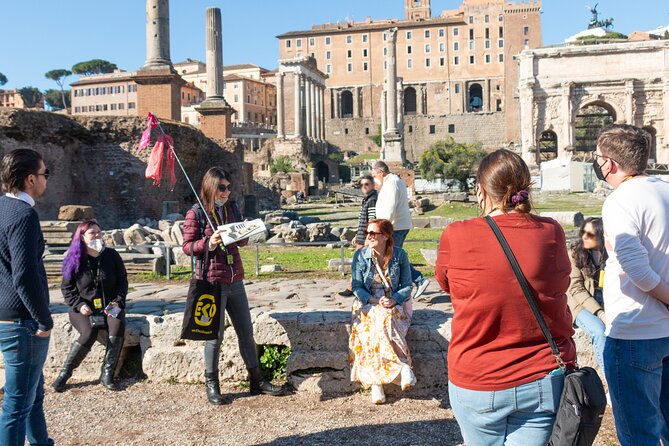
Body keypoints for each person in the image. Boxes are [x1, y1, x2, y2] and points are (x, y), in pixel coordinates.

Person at [435, 149, 576, 445]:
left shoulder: (457, 233)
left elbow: (447, 284)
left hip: (478, 374)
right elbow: (560, 282)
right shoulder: (551, 231)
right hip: (542, 374)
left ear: (480, 191)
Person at [183, 167, 285, 405]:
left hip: (234, 278)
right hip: (212, 281)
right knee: (214, 336)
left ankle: (256, 380)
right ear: (210, 187)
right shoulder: (196, 213)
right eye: (221, 188)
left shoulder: (232, 209)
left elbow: (241, 240)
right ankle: (212, 384)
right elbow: (188, 246)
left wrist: (244, 233)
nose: (226, 192)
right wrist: (209, 242)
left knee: (246, 333)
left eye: (229, 187)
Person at [594, 124, 669, 445]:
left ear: (609, 163)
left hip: (636, 330)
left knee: (640, 435)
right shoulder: (665, 187)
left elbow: (636, 268)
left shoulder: (620, 200)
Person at [0, 149, 54, 446]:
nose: (47, 179)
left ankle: (41, 442)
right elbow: (24, 275)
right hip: (23, 320)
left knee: (33, 393)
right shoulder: (23, 214)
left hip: (5, 315)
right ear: (30, 179)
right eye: (45, 174)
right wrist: (43, 319)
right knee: (17, 402)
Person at [53, 219, 128, 392]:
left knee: (117, 327)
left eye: (99, 232)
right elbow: (67, 288)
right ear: (82, 237)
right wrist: (79, 305)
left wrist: (117, 301)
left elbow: (122, 282)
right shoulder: (74, 259)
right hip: (83, 307)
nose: (96, 235)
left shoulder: (112, 255)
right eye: (92, 233)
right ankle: (65, 373)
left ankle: (107, 374)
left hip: (110, 305)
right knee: (89, 332)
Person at [349, 219, 415, 404]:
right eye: (367, 232)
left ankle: (376, 383)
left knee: (383, 319)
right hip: (367, 301)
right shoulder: (360, 256)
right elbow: (357, 286)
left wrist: (394, 299)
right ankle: (403, 366)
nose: (368, 236)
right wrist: (375, 300)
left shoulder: (400, 255)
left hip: (393, 301)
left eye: (373, 233)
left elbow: (407, 286)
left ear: (385, 236)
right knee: (376, 321)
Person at [371, 161, 430, 299]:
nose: (374, 178)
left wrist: (383, 228)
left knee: (394, 257)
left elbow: (390, 207)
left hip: (394, 227)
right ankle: (410, 282)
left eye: (374, 175)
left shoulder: (392, 183)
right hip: (395, 225)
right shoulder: (391, 182)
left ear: (381, 172)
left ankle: (418, 280)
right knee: (392, 256)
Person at [567, 217, 607, 375]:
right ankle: (610, 380)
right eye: (583, 232)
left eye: (590, 234)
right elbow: (576, 288)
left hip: (605, 300)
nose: (585, 237)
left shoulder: (609, 252)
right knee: (599, 331)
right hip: (580, 304)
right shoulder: (575, 253)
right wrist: (600, 313)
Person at [339, 174, 377, 297]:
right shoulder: (367, 199)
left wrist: (368, 237)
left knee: (359, 265)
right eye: (361, 185)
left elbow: (372, 220)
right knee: (363, 264)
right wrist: (357, 234)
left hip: (366, 238)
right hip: (362, 237)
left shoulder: (372, 200)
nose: (364, 187)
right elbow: (363, 221)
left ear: (373, 185)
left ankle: (352, 287)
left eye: (366, 184)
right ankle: (358, 286)